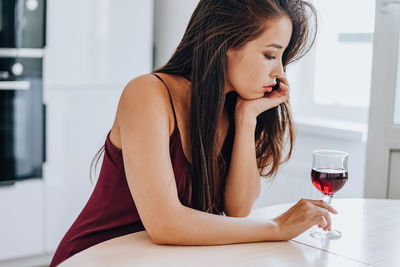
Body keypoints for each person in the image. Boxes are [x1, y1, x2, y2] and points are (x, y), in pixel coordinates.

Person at [50, 0, 338, 266]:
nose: (279, 72)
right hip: (95, 257)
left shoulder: (232, 109)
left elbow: (239, 208)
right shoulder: (148, 93)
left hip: (156, 260)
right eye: (269, 55)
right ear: (224, 43)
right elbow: (165, 224)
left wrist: (246, 118)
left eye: (281, 57)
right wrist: (277, 226)